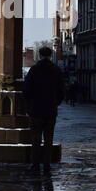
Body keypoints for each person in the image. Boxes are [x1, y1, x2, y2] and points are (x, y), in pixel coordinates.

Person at [24, 46, 64, 174]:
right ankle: (46, 165)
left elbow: (27, 90)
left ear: (40, 55)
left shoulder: (34, 70)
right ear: (50, 56)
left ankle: (35, 165)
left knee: (35, 140)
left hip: (36, 110)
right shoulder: (56, 70)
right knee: (48, 140)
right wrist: (55, 103)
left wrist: (29, 105)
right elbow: (61, 91)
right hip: (50, 110)